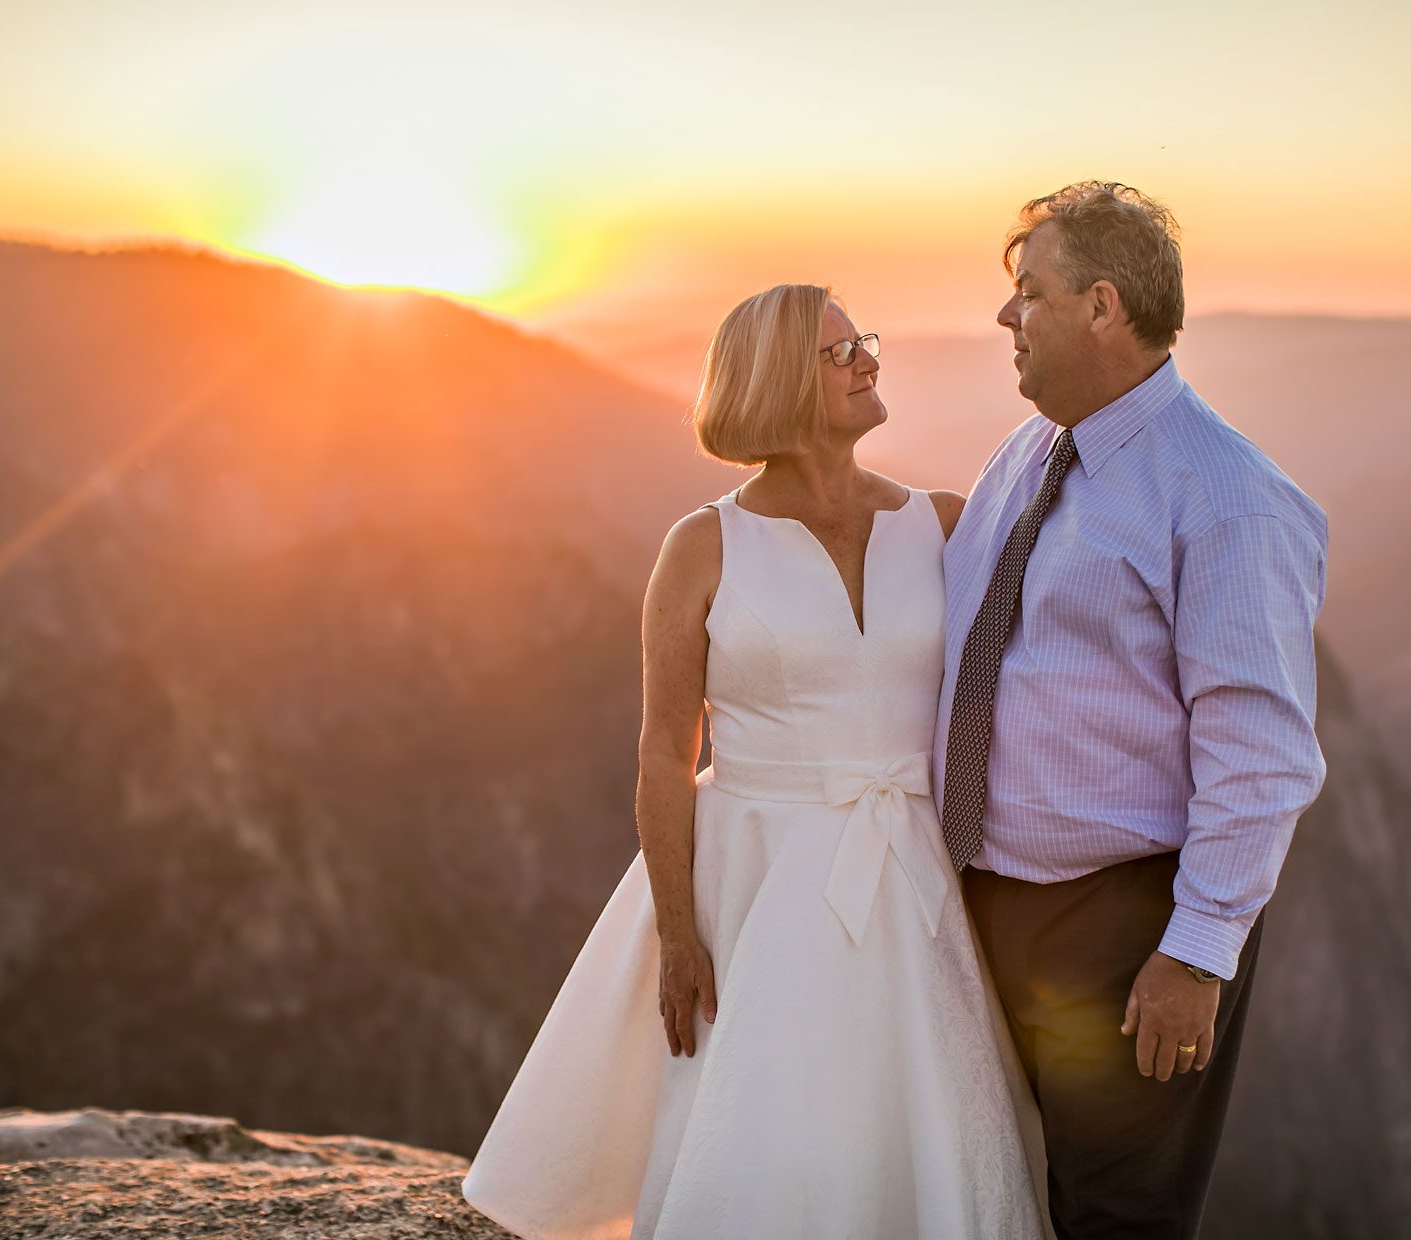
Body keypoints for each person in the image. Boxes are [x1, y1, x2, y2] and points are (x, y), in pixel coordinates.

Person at [463, 284, 1050, 1239]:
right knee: (772, 1123)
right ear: (778, 381)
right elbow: (665, 752)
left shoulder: (943, 522)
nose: (869, 359)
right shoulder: (702, 547)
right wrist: (676, 934)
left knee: (922, 1122)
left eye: (863, 339)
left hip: (917, 871)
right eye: (840, 351)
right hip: (755, 876)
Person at [937, 181, 1328, 1239]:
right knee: (999, 1194)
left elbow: (1262, 755)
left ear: (1102, 306)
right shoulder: (1027, 454)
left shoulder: (1228, 499)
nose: (1007, 315)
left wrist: (1194, 952)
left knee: (1115, 1218)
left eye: (1030, 292)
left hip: (1124, 929)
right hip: (988, 905)